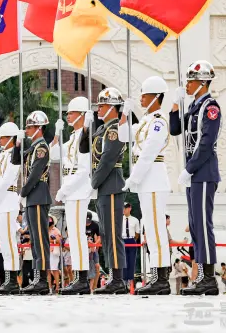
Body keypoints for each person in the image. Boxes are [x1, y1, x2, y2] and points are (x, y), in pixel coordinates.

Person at [167, 61, 221, 296]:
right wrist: (175, 108)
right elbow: (176, 130)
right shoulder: (193, 106)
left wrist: (189, 168)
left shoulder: (210, 107)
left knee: (203, 224)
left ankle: (209, 277)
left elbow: (207, 143)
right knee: (195, 226)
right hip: (194, 174)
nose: (187, 85)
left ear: (202, 82)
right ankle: (201, 275)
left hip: (203, 172)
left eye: (190, 80)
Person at [120, 76, 171, 295]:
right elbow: (123, 135)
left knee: (156, 229)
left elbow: (149, 153)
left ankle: (162, 278)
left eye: (145, 95)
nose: (141, 98)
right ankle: (156, 274)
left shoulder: (158, 122)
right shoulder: (144, 122)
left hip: (153, 179)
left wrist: (135, 177)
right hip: (146, 181)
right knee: (149, 229)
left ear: (156, 97)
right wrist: (124, 112)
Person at [54, 97, 95, 295]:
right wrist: (56, 133)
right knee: (74, 235)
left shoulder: (84, 136)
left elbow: (83, 169)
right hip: (72, 190)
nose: (67, 115)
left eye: (71, 113)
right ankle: (79, 278)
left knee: (78, 235)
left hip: (78, 190)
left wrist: (65, 189)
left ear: (80, 115)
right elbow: (53, 154)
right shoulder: (72, 138)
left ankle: (82, 278)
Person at [90, 88, 127, 294]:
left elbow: (107, 160)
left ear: (112, 108)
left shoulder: (114, 129)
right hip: (104, 185)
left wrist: (93, 183)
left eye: (102, 106)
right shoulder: (103, 128)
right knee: (106, 233)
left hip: (111, 183)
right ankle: (114, 277)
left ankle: (118, 279)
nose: (98, 109)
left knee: (113, 233)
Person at [16, 110, 52, 294]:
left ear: (39, 128)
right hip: (32, 198)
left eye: (29, 127)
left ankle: (43, 279)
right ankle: (39, 277)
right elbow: (17, 160)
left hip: (38, 196)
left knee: (40, 239)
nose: (27, 130)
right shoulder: (32, 148)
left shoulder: (41, 148)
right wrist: (18, 143)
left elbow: (35, 175)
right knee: (35, 241)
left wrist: (22, 193)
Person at [0, 122, 22, 294]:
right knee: (4, 245)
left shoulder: (14, 155)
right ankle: (8, 278)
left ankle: (13, 279)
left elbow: (8, 179)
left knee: (10, 243)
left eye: (2, 138)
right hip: (0, 203)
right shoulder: (1, 156)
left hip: (8, 200)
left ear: (11, 139)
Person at [85, 213, 101, 292]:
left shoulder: (95, 225)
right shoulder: (80, 224)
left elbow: (99, 237)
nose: (87, 222)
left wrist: (95, 244)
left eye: (88, 221)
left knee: (97, 266)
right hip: (83, 248)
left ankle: (94, 287)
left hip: (92, 248)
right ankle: (85, 285)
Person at [47, 218, 61, 291]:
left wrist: (51, 240)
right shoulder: (44, 229)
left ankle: (57, 286)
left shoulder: (56, 230)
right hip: (46, 251)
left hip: (54, 252)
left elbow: (59, 240)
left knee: (55, 269)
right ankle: (49, 287)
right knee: (48, 270)